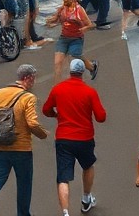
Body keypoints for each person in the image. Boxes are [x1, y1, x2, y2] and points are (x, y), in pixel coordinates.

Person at [0, 63, 49, 216]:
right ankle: (23, 214)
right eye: (34, 78)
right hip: (21, 149)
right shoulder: (28, 98)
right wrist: (43, 134)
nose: (34, 81)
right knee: (24, 183)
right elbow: (32, 123)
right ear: (28, 78)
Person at [42, 58, 108, 216]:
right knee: (88, 166)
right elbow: (101, 117)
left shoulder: (58, 89)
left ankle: (65, 212)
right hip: (85, 138)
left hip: (63, 138)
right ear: (82, 72)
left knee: (63, 177)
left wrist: (56, 115)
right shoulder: (89, 92)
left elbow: (46, 109)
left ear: (70, 71)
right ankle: (86, 198)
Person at [44, 0, 99, 83]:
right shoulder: (62, 8)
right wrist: (50, 22)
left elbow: (91, 25)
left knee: (74, 57)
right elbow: (55, 19)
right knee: (57, 63)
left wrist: (85, 28)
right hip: (63, 38)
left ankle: (92, 66)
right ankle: (57, 87)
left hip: (76, 39)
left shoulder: (79, 10)